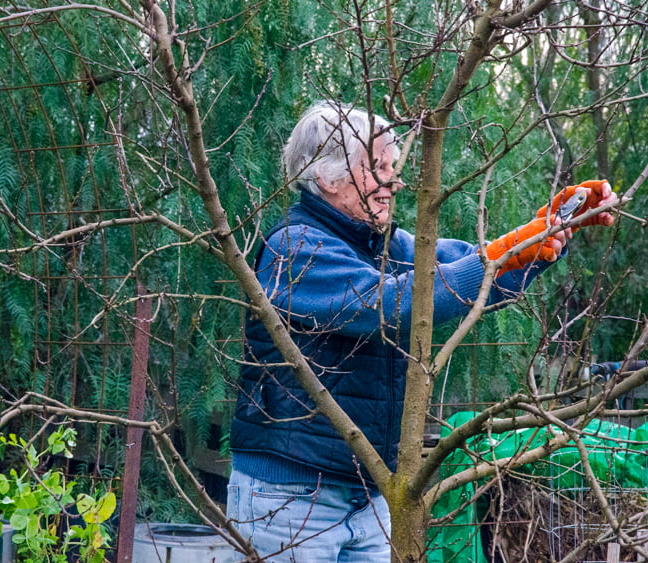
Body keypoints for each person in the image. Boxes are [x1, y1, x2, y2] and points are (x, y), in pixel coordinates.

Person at [226, 101, 618, 562]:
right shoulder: (296, 249)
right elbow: (397, 302)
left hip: (369, 492)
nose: (393, 180)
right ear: (326, 177)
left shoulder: (387, 244)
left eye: (393, 165)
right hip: (290, 497)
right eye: (377, 167)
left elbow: (469, 272)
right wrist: (508, 250)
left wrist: (544, 236)